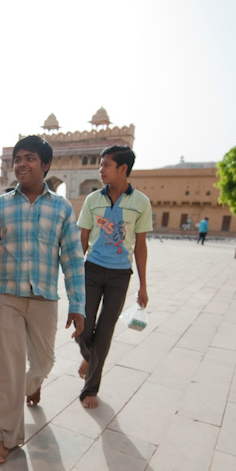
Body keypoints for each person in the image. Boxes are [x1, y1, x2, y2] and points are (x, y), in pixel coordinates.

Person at [0, 135, 85, 463]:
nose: (22, 164)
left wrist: (77, 305)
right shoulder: (2, 205)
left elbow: (73, 259)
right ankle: (6, 436)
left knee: (45, 362)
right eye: (17, 158)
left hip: (45, 297)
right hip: (6, 295)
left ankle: (30, 384)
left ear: (46, 165)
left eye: (30, 158)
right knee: (6, 367)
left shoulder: (61, 207)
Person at [76, 145, 152, 409]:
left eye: (106, 165)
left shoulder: (141, 202)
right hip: (92, 270)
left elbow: (140, 245)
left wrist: (143, 286)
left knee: (105, 332)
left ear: (123, 168)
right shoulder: (92, 200)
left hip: (120, 275)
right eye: (100, 164)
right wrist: (75, 276)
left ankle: (90, 389)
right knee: (82, 326)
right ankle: (90, 356)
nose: (101, 170)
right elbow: (83, 239)